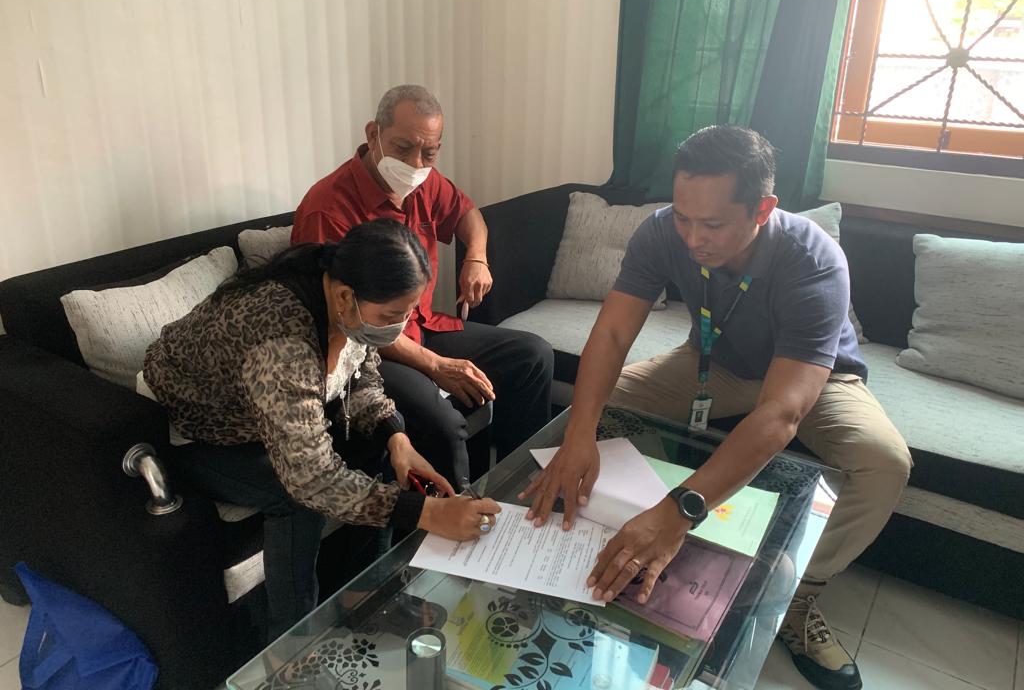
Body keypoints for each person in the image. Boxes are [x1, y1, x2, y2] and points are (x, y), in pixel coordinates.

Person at [521, 126, 911, 690]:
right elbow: (611, 334)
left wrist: (680, 510)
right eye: (684, 217)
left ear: (763, 209)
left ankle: (794, 597)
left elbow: (782, 412)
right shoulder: (662, 231)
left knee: (884, 462)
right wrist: (581, 432)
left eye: (712, 224)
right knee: (602, 406)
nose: (693, 239)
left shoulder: (813, 260)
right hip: (716, 364)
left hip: (814, 379)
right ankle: (619, 537)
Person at [143, 219, 501, 640]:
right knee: (294, 498)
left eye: (407, 313)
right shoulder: (280, 341)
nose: (399, 327)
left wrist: (397, 438)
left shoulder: (345, 302)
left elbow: (362, 377)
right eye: (392, 316)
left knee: (378, 447)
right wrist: (427, 513)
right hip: (197, 429)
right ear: (346, 296)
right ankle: (293, 640)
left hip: (263, 412)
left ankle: (365, 596)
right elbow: (309, 479)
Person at [291, 84, 554, 483]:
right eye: (403, 148)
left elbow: (467, 214)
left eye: (429, 153)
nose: (416, 163)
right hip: (367, 348)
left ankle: (520, 484)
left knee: (533, 355)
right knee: (442, 424)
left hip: (423, 325)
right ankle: (452, 514)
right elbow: (345, 320)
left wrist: (476, 257)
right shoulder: (328, 209)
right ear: (373, 134)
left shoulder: (422, 182)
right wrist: (436, 365)